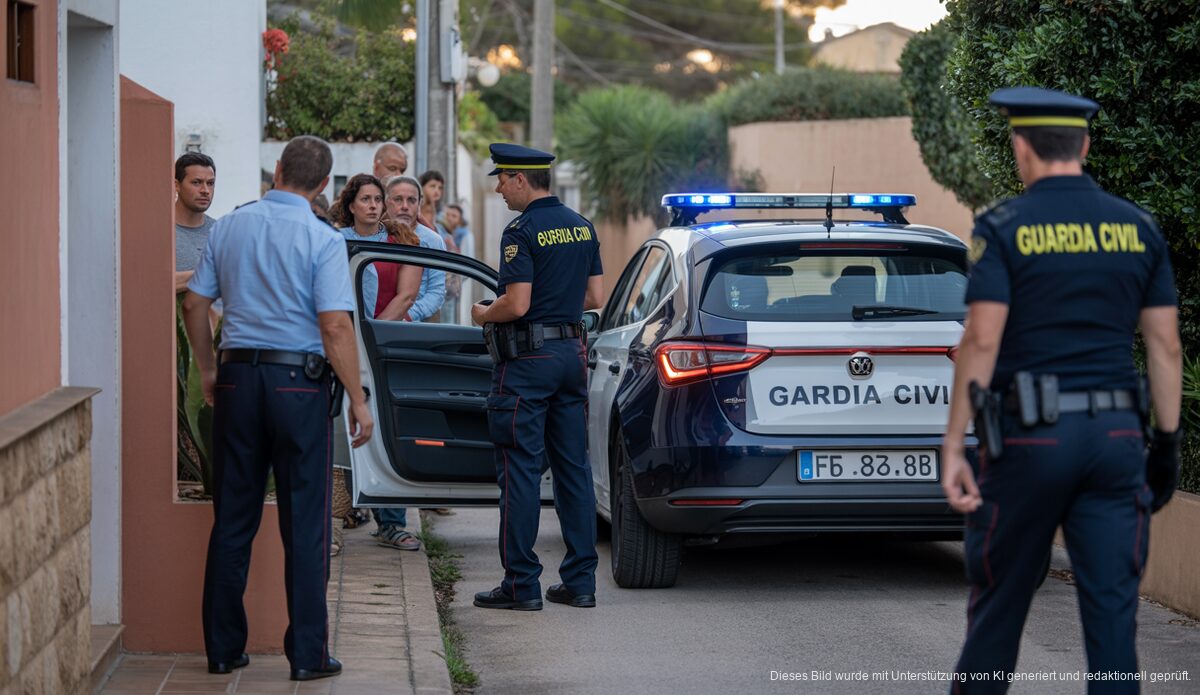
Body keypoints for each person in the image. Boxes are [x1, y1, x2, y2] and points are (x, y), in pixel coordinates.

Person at [941, 87, 1182, 691]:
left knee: (997, 613)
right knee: (1113, 628)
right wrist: (1166, 445)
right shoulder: (1138, 228)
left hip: (1030, 444)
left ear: (1022, 147)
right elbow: (1165, 346)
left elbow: (983, 338)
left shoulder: (1003, 227)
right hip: (1115, 441)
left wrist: (954, 444)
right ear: (1085, 146)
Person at [182, 135, 374, 683]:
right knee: (305, 523)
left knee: (232, 518)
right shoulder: (322, 237)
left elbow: (195, 302)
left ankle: (223, 649)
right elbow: (334, 326)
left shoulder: (229, 226)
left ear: (278, 169)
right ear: (324, 184)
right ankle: (308, 655)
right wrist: (358, 399)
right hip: (299, 387)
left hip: (238, 379)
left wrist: (209, 369)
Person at [471, 143, 605, 611]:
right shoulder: (582, 226)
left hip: (528, 363)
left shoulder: (521, 231)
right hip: (571, 356)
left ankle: (520, 584)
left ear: (521, 179)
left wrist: (483, 313)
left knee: (520, 472)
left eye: (501, 180)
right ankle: (581, 583)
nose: (499, 189)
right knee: (573, 470)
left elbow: (517, 304)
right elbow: (594, 297)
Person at [330, 173, 421, 321]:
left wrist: (371, 330)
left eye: (378, 199)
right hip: (341, 325)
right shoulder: (335, 240)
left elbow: (406, 297)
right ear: (352, 206)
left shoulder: (403, 240)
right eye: (365, 199)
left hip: (383, 329)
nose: (373, 205)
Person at [384, 175, 446, 323]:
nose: (405, 206)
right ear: (386, 203)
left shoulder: (433, 240)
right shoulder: (377, 235)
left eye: (411, 200)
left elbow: (436, 292)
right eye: (398, 199)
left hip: (416, 326)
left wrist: (407, 316)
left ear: (419, 204)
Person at [174, 152, 218, 294]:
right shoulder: (159, 230)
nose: (205, 191)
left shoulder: (220, 232)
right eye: (196, 182)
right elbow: (150, 281)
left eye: (210, 183)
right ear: (176, 185)